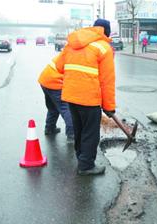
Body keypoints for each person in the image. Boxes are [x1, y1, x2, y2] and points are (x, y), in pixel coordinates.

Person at [56, 19, 115, 176]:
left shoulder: (72, 44)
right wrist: (109, 106)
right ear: (106, 32)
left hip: (70, 96)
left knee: (79, 129)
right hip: (89, 98)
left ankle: (81, 158)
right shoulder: (103, 48)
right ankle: (86, 166)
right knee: (90, 133)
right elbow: (107, 80)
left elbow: (59, 66)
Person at [38, 54, 74, 143]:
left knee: (53, 107)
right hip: (55, 83)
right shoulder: (78, 57)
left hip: (45, 80)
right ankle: (72, 134)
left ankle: (49, 128)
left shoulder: (68, 51)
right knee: (66, 108)